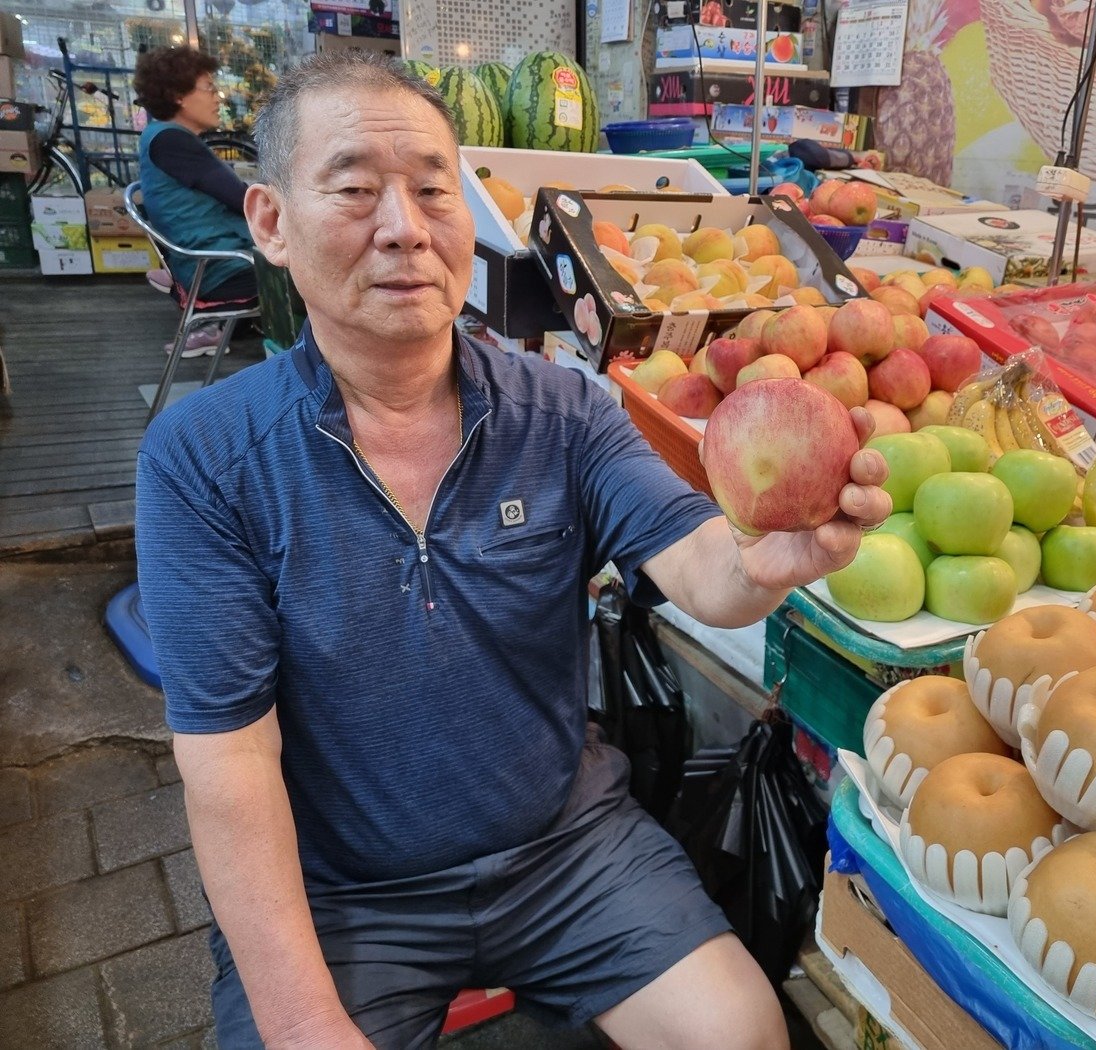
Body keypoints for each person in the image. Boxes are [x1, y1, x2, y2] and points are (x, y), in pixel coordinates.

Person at [134, 50, 891, 1050]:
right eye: (356, 190)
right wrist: (308, 1019)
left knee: (741, 1029)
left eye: (431, 190)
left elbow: (701, 564)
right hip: (346, 892)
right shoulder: (205, 458)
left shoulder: (567, 409)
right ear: (270, 222)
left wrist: (761, 568)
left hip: (565, 848)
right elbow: (228, 768)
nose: (404, 227)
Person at [133, 45, 257, 356]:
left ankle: (212, 330)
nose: (218, 98)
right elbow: (243, 200)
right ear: (178, 95)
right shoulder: (172, 140)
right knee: (324, 271)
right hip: (219, 269)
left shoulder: (161, 136)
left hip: (207, 260)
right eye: (209, 88)